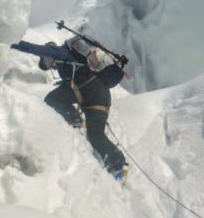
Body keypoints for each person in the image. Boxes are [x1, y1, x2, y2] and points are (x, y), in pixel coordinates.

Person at [11, 35, 129, 179]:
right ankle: (118, 165)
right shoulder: (73, 60)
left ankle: (75, 121)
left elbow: (32, 48)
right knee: (95, 135)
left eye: (45, 58)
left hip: (85, 89)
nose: (48, 64)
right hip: (100, 97)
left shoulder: (58, 51)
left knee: (51, 99)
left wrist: (11, 40)